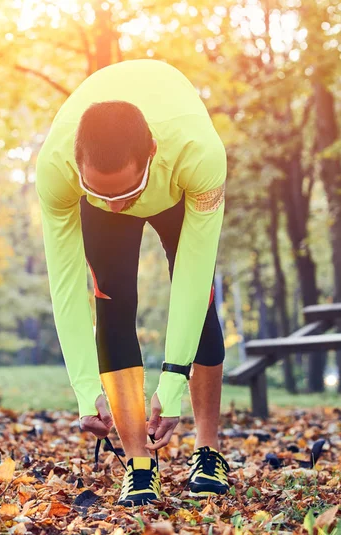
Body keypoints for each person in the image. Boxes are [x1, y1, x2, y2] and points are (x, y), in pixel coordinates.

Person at [36, 59, 230, 507]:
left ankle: (208, 450)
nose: (117, 205)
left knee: (202, 300)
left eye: (126, 193)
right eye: (101, 194)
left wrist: (174, 382)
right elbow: (66, 286)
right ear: (77, 165)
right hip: (119, 179)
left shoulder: (199, 155)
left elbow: (191, 281)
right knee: (112, 301)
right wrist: (86, 391)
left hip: (176, 191)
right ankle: (139, 465)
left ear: (152, 153)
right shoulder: (56, 169)